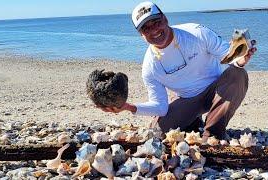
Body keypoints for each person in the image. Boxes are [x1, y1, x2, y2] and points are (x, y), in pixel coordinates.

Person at [99, 1, 257, 141]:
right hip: (187, 99)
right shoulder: (150, 66)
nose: (154, 30)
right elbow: (160, 106)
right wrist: (128, 107)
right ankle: (194, 122)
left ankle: (213, 135)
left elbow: (227, 54)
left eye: (156, 22)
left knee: (237, 73)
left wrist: (241, 58)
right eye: (146, 28)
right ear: (141, 35)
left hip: (216, 91)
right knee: (157, 133)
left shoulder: (196, 32)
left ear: (165, 19)